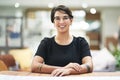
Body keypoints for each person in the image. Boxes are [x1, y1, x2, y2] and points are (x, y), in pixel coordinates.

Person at [31, 5, 93, 76]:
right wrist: (64, 68)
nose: (61, 22)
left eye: (65, 18)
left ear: (71, 21)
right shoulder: (46, 42)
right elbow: (34, 66)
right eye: (57, 18)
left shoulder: (81, 42)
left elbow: (89, 66)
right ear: (53, 22)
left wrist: (69, 71)